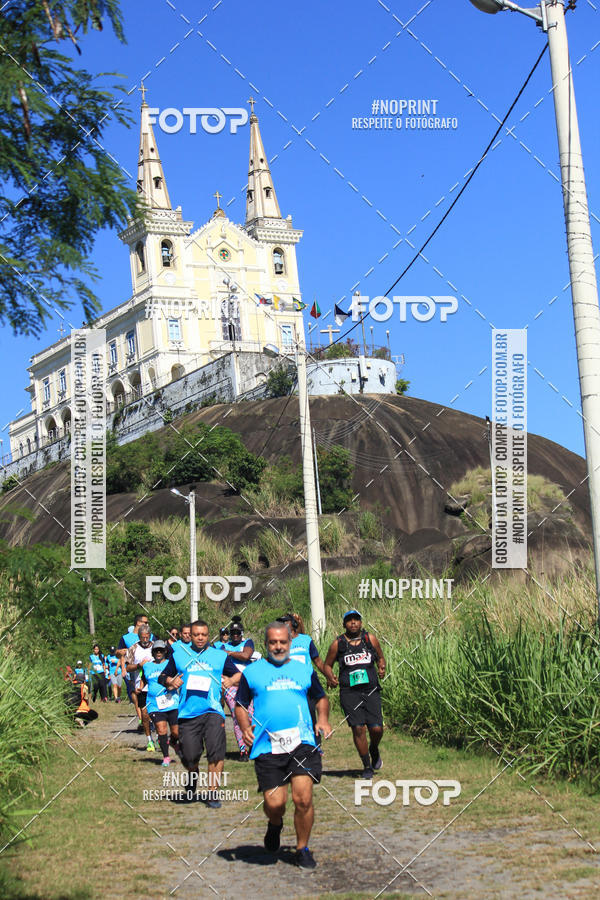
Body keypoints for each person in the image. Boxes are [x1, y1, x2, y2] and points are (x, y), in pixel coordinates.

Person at [235, 621, 332, 871]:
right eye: (273, 642)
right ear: (266, 644)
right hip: (268, 746)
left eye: (283, 642)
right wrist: (245, 726)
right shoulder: (252, 672)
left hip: (302, 742)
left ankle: (302, 849)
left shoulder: (303, 670)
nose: (278, 646)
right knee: (276, 804)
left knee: (303, 799)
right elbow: (240, 704)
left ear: (290, 642)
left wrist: (322, 719)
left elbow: (321, 697)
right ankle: (275, 824)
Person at [159, 620, 240, 808]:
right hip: (188, 713)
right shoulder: (179, 655)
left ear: (208, 634)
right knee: (190, 755)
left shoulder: (219, 656)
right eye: (196, 635)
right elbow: (163, 676)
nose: (200, 638)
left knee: (216, 752)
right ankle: (193, 772)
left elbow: (238, 674)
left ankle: (212, 793)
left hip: (213, 711)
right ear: (191, 636)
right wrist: (171, 681)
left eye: (204, 634)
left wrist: (231, 680)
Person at [323, 609, 386, 778]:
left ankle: (374, 748)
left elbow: (380, 657)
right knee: (358, 728)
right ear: (344, 624)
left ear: (361, 622)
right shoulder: (338, 644)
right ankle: (366, 766)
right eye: (349, 620)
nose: (353, 623)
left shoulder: (369, 639)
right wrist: (330, 677)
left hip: (371, 690)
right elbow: (327, 665)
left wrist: (381, 666)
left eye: (356, 620)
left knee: (377, 728)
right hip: (349, 692)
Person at [220, 617, 256, 760]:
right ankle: (242, 749)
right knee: (236, 717)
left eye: (237, 632)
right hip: (232, 686)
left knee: (251, 716)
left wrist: (229, 653)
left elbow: (246, 655)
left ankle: (252, 744)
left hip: (247, 684)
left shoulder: (247, 642)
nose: (235, 635)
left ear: (241, 633)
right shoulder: (222, 646)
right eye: (233, 632)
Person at [140, 640, 180, 766]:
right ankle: (166, 757)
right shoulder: (147, 666)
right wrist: (139, 688)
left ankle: (173, 742)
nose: (158, 652)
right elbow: (143, 680)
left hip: (171, 701)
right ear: (152, 652)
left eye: (161, 650)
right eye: (156, 650)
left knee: (176, 732)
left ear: (165, 651)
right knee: (161, 729)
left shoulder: (171, 664)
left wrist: (173, 686)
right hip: (154, 704)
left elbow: (180, 678)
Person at [125, 625, 155, 751]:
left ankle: (160, 736)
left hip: (155, 685)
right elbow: (127, 667)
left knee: (157, 714)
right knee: (144, 714)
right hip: (140, 686)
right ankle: (149, 740)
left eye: (147, 637)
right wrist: (139, 665)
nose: (145, 640)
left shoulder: (156, 647)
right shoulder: (133, 649)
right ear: (139, 637)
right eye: (142, 637)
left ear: (150, 635)